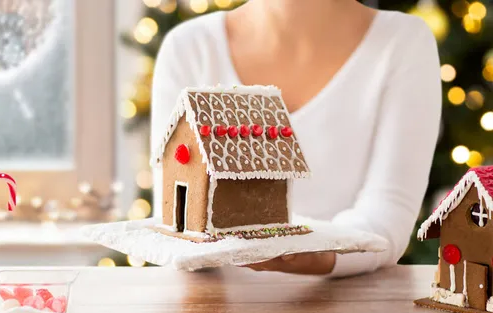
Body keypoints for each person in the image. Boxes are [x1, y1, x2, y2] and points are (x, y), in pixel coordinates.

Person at [150, 0, 441, 277]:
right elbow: (176, 212)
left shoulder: (403, 42)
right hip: (209, 312)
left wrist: (318, 253)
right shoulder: (188, 47)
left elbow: (388, 213)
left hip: (349, 310)